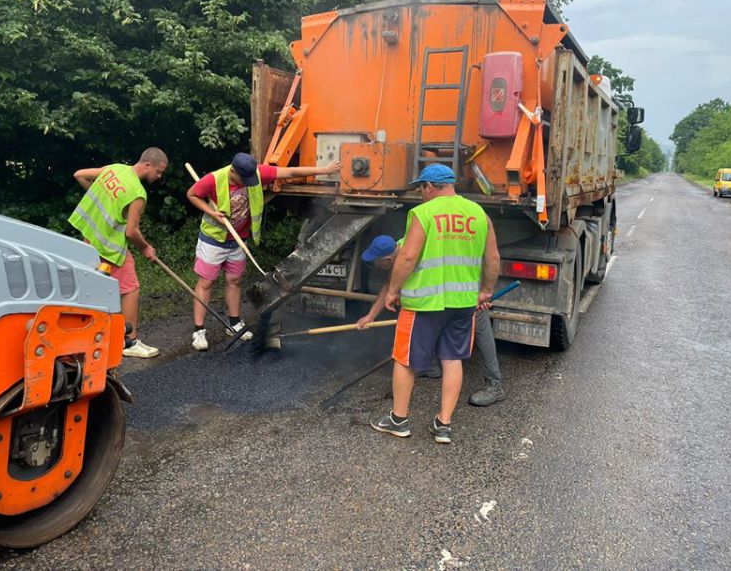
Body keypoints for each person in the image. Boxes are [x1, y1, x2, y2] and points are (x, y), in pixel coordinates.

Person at [370, 164, 500, 444]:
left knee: (405, 360)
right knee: (452, 360)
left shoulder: (423, 213)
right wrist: (485, 291)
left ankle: (399, 420)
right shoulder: (479, 214)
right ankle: (443, 424)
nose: (420, 193)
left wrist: (393, 290)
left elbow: (407, 257)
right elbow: (492, 259)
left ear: (430, 186)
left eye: (421, 188)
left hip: (423, 303)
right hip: (463, 303)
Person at [186, 152, 341, 351]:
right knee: (206, 283)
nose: (249, 182)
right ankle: (199, 331)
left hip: (239, 240)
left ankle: (234, 324)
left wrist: (323, 170)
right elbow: (191, 194)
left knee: (234, 281)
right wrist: (212, 213)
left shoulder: (255, 173)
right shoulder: (213, 180)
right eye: (244, 179)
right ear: (233, 171)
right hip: (214, 240)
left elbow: (290, 171)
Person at [358, 235, 505, 406]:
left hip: (464, 285)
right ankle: (431, 367)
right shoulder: (401, 247)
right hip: (441, 292)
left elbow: (489, 259)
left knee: (479, 329)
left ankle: (495, 386)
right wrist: (371, 316)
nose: (376, 266)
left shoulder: (412, 253)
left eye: (377, 263)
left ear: (388, 259)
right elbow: (389, 285)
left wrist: (483, 293)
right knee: (432, 323)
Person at [69, 147, 168, 358]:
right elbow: (132, 232)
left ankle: (85, 336)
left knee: (94, 289)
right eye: (159, 171)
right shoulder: (138, 193)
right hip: (110, 247)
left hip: (90, 239)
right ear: (148, 165)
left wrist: (98, 195)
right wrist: (146, 248)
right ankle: (129, 343)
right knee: (131, 289)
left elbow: (79, 174)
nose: (159, 177)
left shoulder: (115, 169)